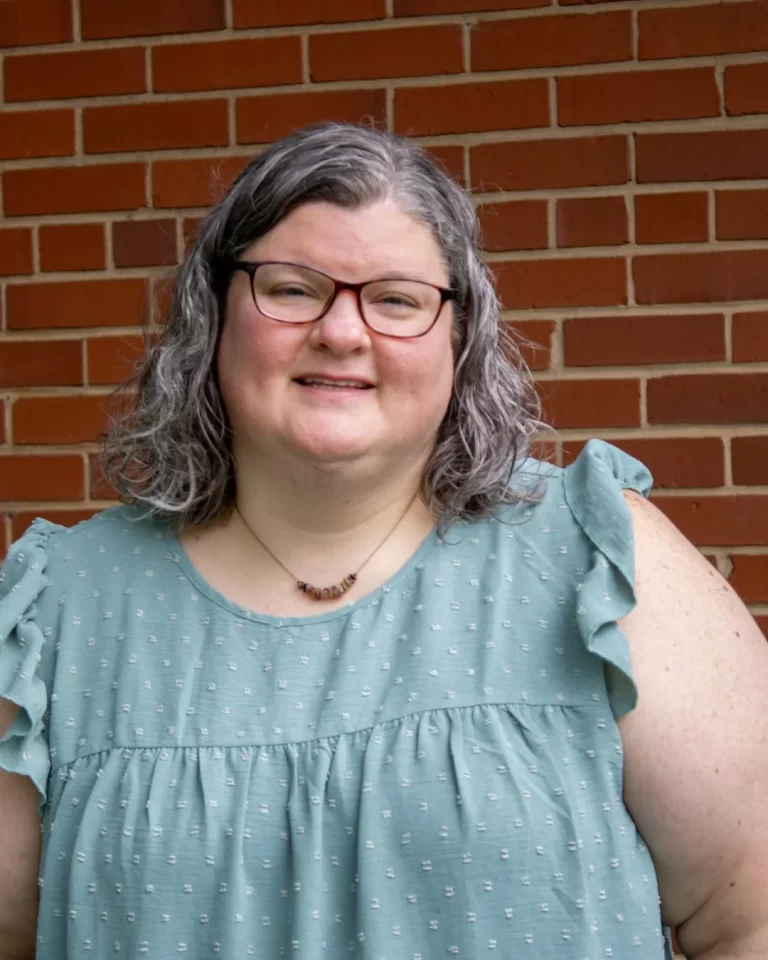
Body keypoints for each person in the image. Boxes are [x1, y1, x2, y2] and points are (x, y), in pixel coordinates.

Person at [1, 123, 766, 960]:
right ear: (211, 316)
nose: (342, 331)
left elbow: (751, 914)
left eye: (396, 299)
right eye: (292, 289)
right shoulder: (60, 611)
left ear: (460, 337)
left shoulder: (593, 559)